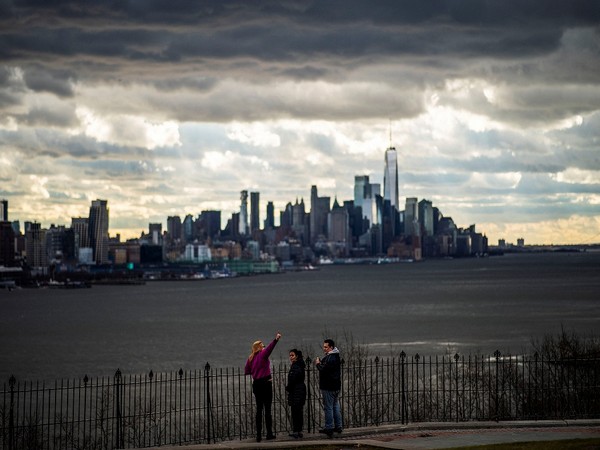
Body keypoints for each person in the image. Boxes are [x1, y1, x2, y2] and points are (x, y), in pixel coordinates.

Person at [245, 331, 282, 442]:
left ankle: (258, 435)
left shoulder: (250, 358)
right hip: (266, 383)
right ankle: (269, 433)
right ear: (259, 347)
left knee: (259, 410)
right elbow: (270, 348)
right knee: (268, 409)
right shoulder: (263, 354)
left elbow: (247, 371)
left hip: (256, 384)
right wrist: (276, 339)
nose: (264, 346)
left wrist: (256, 373)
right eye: (262, 345)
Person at [315, 338, 342, 437]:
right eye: (324, 346)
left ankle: (329, 428)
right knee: (335, 406)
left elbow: (323, 370)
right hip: (336, 385)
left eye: (326, 347)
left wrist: (318, 363)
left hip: (328, 386)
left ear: (331, 347)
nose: (324, 348)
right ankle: (338, 426)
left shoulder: (330, 358)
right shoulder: (336, 356)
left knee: (329, 407)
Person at [285, 349, 306, 439]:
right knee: (299, 411)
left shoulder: (295, 366)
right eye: (290, 355)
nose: (291, 357)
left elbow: (293, 380)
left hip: (296, 391)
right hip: (300, 390)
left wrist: (288, 388)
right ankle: (299, 430)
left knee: (295, 412)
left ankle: (296, 431)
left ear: (297, 356)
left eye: (292, 355)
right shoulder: (300, 365)